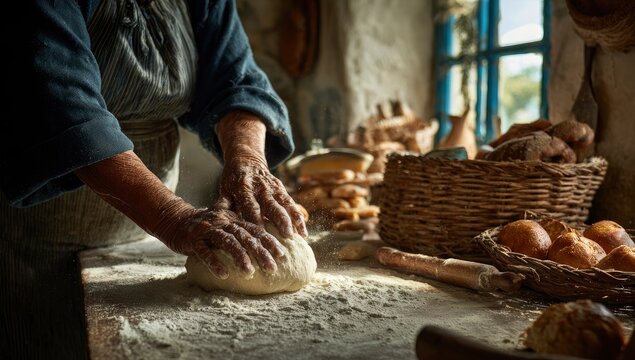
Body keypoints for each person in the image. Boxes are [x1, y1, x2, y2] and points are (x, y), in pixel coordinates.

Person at [0, 0, 306, 357]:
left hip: (147, 227)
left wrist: (249, 159)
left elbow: (236, 80)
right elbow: (64, 108)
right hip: (43, 230)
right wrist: (172, 218)